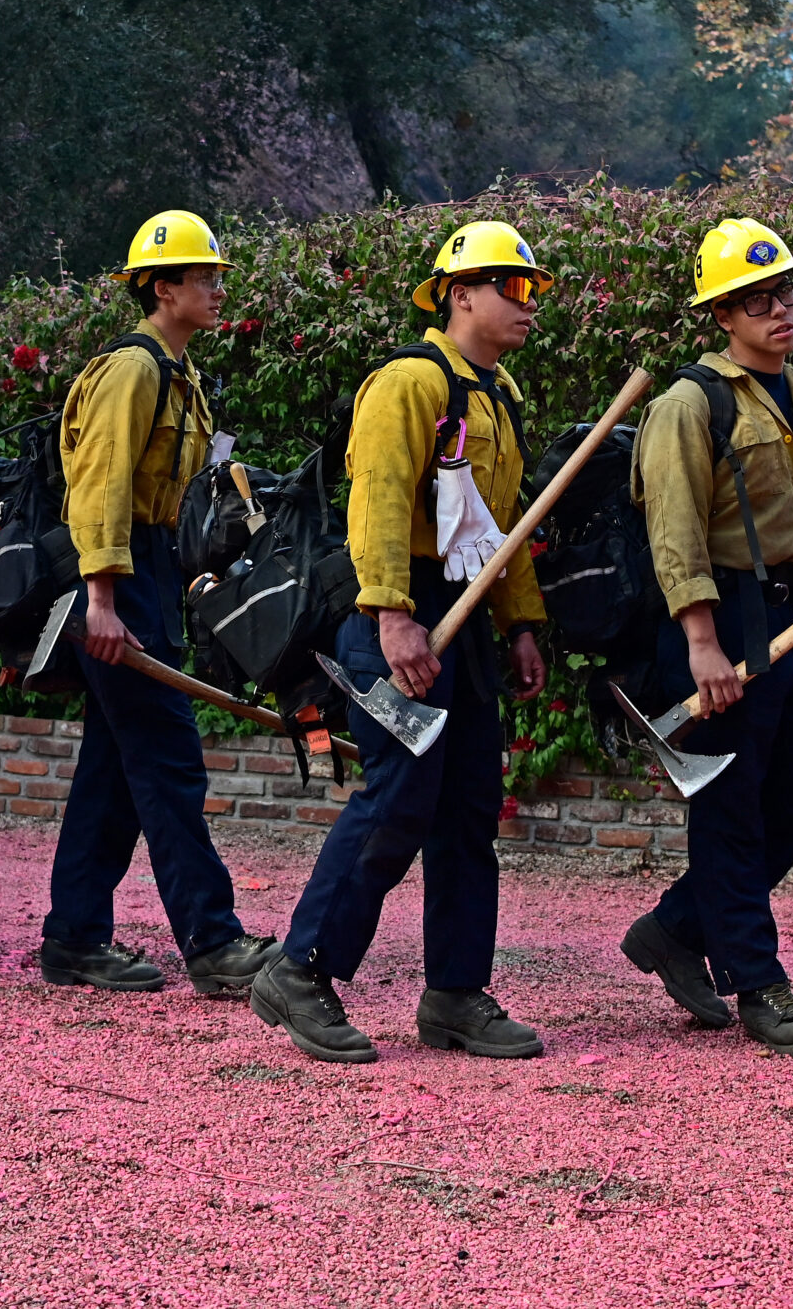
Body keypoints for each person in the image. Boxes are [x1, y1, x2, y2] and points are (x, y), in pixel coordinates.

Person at [252, 220, 553, 1063]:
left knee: (466, 814)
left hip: (462, 618)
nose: (530, 305)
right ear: (461, 293)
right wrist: (390, 616)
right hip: (395, 616)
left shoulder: (500, 396)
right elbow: (378, 501)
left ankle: (456, 992)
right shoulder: (408, 383)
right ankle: (300, 968)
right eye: (514, 287)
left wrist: (518, 622)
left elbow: (501, 528)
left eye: (535, 290)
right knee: (396, 802)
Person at [619, 218, 793, 1054]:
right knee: (730, 810)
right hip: (718, 617)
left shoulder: (792, 392)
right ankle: (759, 985)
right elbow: (674, 533)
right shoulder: (687, 403)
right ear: (722, 315)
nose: (781, 310)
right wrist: (702, 643)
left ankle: (675, 929)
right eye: (757, 300)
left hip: (789, 613)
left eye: (786, 292)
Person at [39, 211, 279, 996]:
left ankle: (74, 937)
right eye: (201, 275)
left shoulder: (181, 375)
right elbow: (99, 485)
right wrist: (101, 597)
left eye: (215, 273)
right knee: (170, 762)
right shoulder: (134, 370)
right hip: (117, 573)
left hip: (149, 573)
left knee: (113, 769)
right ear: (161, 286)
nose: (216, 286)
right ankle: (212, 942)